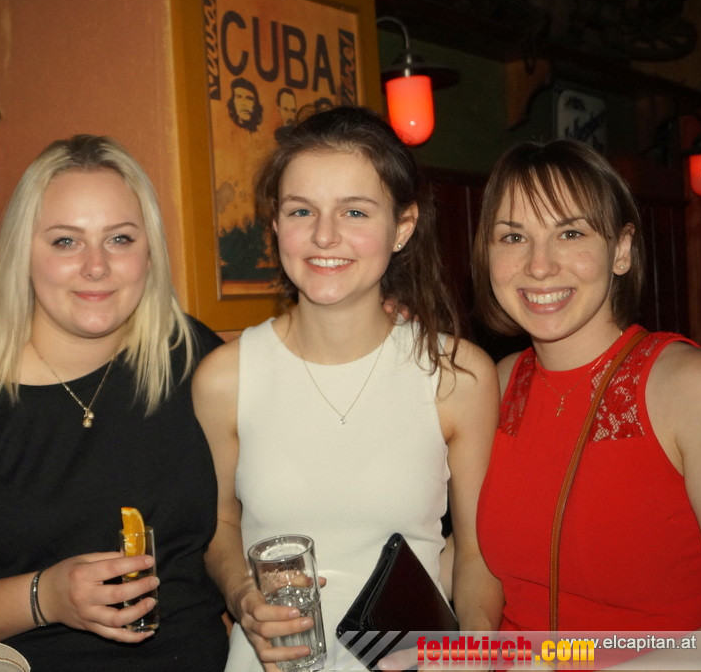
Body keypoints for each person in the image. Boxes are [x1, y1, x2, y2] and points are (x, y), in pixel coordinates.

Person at [0, 134, 229, 671]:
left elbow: (237, 520)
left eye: (120, 239)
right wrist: (45, 597)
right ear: (23, 254)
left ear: (149, 252)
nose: (95, 266)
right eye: (66, 241)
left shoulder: (191, 357)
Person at [194, 106, 502, 671]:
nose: (324, 235)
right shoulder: (224, 378)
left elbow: (479, 553)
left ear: (402, 226)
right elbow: (218, 526)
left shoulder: (457, 376)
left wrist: (474, 649)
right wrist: (241, 596)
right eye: (301, 210)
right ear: (276, 224)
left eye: (354, 211)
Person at [472, 139, 701, 633]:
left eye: (570, 233)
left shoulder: (696, 389)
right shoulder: (496, 383)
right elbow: (467, 559)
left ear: (621, 251)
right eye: (513, 237)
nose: (539, 265)